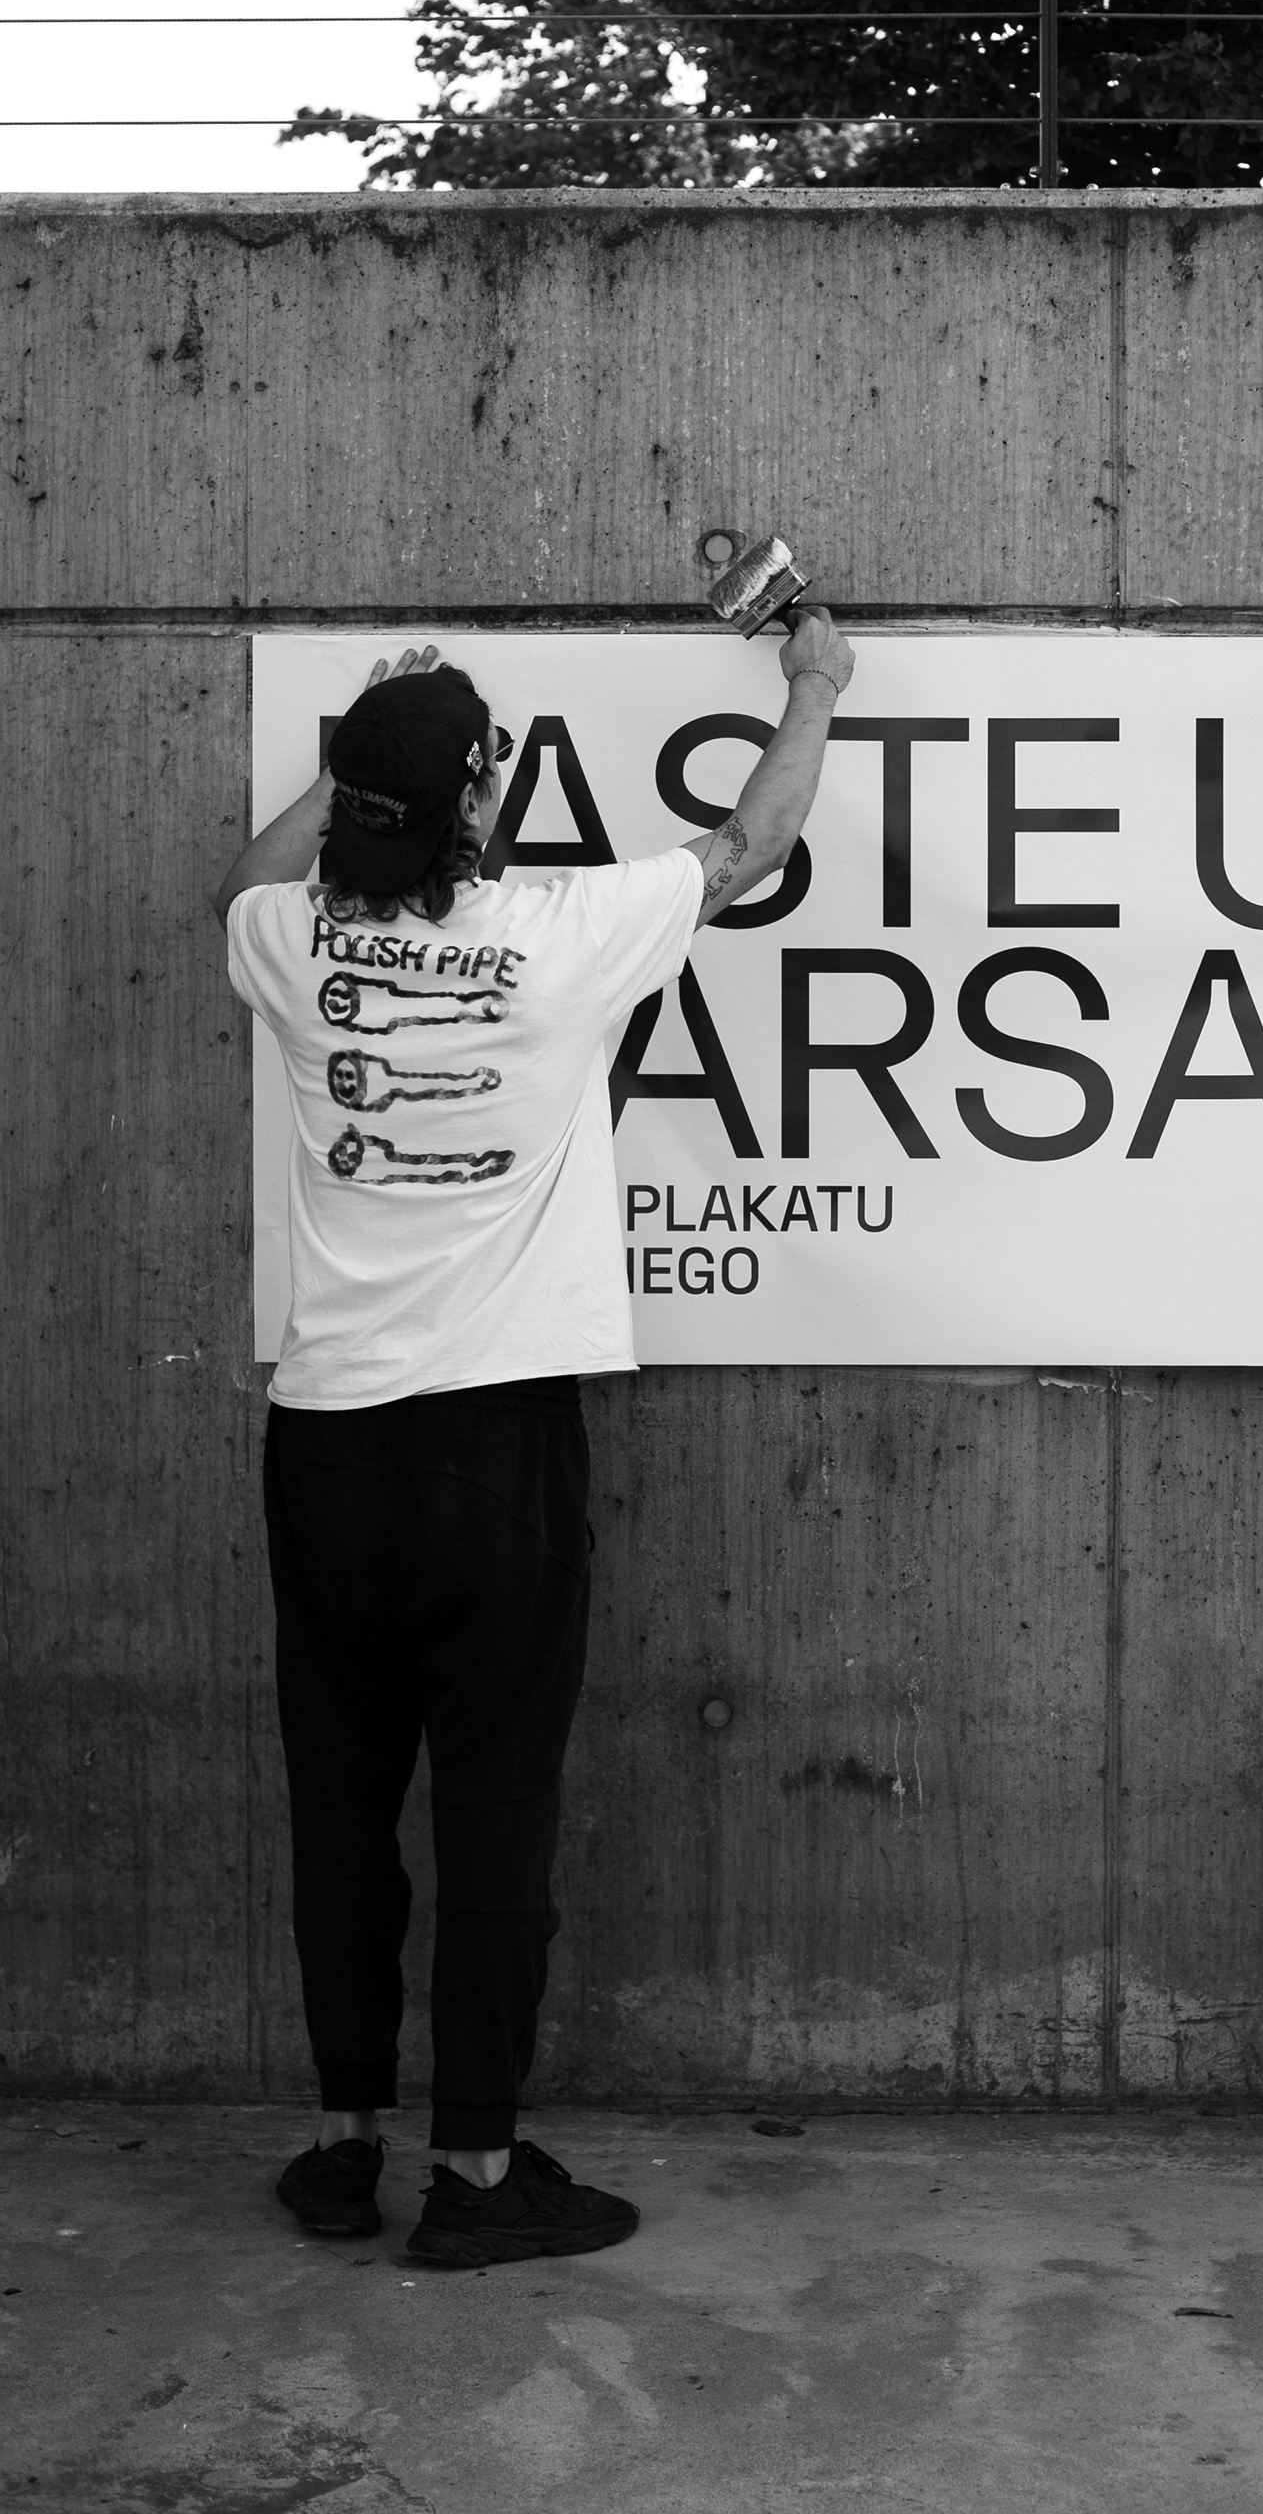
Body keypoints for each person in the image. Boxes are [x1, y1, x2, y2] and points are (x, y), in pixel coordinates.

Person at [214, 608, 855, 2268]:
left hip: (324, 1446)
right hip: (492, 1450)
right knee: (495, 1811)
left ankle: (345, 2148)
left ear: (358, 809)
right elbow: (753, 839)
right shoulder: (561, 934)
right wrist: (815, 682)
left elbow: (242, 882)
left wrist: (361, 755)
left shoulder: (286, 942)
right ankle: (480, 2176)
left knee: (343, 1810)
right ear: (478, 810)